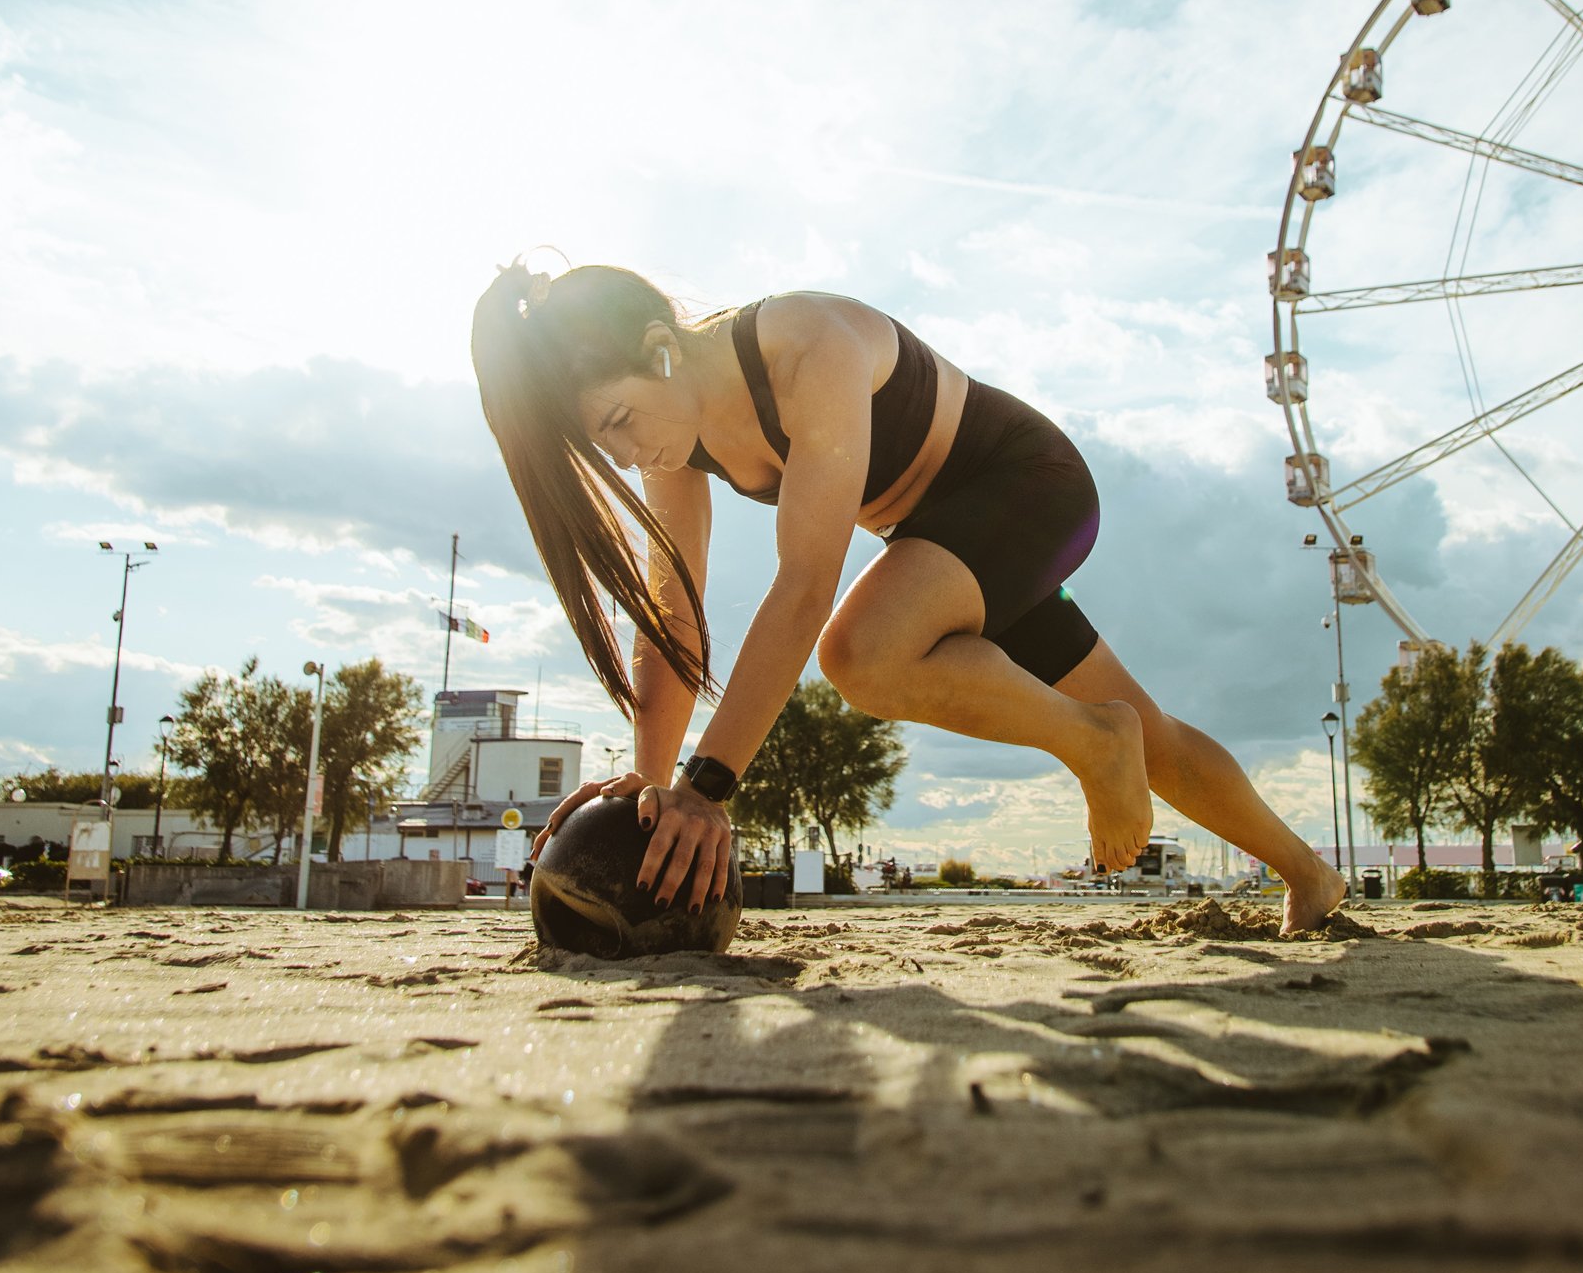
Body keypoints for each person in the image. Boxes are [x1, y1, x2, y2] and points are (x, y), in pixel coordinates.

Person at [472, 263, 1347, 934]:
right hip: (943, 545)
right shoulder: (677, 441)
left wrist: (709, 788)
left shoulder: (802, 344)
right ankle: (1311, 877)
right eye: (604, 443)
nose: (626, 455)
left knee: (862, 652)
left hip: (1028, 489)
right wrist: (654, 789)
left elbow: (807, 582)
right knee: (1154, 740)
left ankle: (1091, 738)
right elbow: (672, 615)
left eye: (619, 422)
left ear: (661, 349)